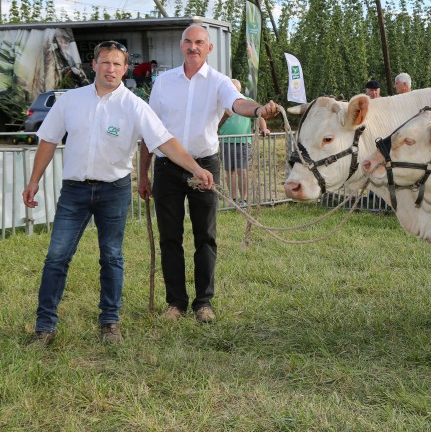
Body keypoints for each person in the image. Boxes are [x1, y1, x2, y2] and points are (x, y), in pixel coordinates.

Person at [22, 40, 214, 346]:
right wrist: (33, 181)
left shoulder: (135, 105)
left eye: (117, 64)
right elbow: (47, 140)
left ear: (125, 70)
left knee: (111, 257)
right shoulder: (71, 101)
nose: (110, 69)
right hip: (74, 191)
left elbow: (164, 141)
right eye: (105, 62)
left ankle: (109, 322)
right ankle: (45, 326)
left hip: (114, 191)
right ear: (94, 65)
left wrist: (195, 168)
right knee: (56, 257)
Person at [138, 24, 279, 324]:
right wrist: (143, 175)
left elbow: (237, 103)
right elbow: (149, 131)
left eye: (199, 42)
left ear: (209, 48)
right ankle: (175, 304)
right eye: (188, 42)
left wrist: (258, 112)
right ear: (180, 45)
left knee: (206, 237)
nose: (193, 47)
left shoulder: (219, 82)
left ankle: (204, 303)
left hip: (205, 168)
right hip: (166, 168)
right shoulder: (163, 82)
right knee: (169, 238)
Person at [218, 78, 269, 206]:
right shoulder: (221, 103)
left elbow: (260, 116)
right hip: (225, 141)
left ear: (239, 91)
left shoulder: (248, 102)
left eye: (235, 90)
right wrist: (225, 116)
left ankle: (244, 199)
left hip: (243, 141)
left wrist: (264, 128)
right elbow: (214, 126)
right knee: (230, 172)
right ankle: (233, 199)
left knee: (242, 171)